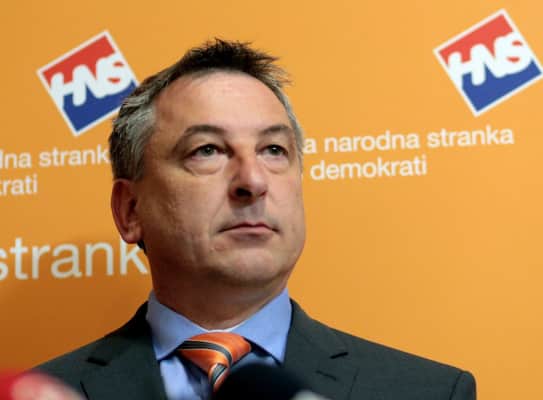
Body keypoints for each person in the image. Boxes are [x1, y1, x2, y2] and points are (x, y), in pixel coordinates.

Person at [37, 39, 476, 400]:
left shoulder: (428, 391)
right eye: (207, 150)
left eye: (273, 150)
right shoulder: (47, 392)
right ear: (130, 210)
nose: (253, 180)